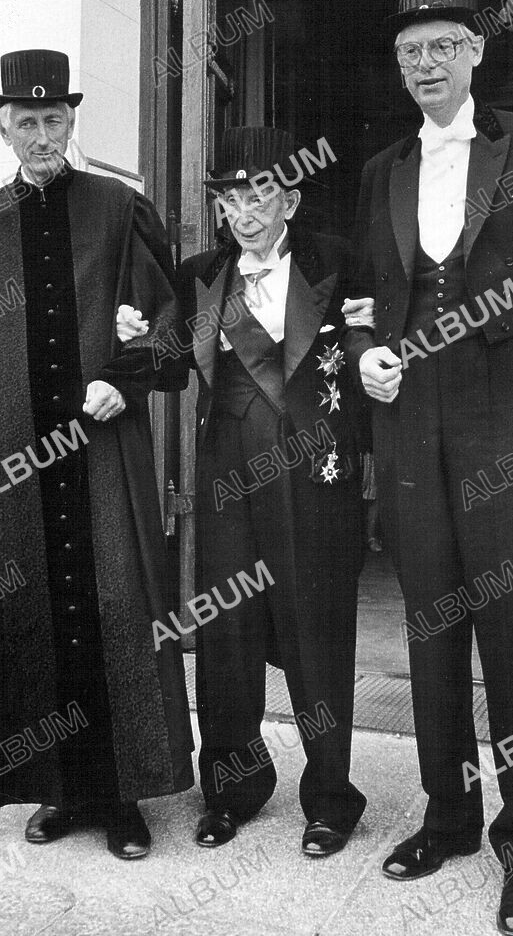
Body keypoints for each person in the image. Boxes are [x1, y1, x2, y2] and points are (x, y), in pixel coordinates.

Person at [343, 0, 513, 933]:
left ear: (476, 50)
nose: (427, 64)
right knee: (431, 631)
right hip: (416, 428)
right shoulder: (380, 172)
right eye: (412, 51)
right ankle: (449, 816)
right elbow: (368, 299)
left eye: (444, 45)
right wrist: (367, 351)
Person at [0, 49, 193, 860]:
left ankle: (121, 798)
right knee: (35, 616)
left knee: (114, 609)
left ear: (73, 122)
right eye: (27, 120)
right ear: (4, 126)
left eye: (55, 119)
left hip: (101, 455)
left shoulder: (118, 209)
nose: (42, 133)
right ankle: (55, 788)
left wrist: (126, 376)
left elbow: (169, 322)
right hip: (18, 465)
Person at [122, 127, 367, 856]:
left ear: (288, 198)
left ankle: (330, 798)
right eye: (231, 196)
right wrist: (130, 335)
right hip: (226, 473)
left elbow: (370, 349)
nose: (244, 208)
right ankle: (230, 791)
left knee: (315, 632)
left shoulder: (338, 263)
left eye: (258, 192)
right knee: (226, 638)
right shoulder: (200, 274)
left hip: (309, 474)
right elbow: (166, 366)